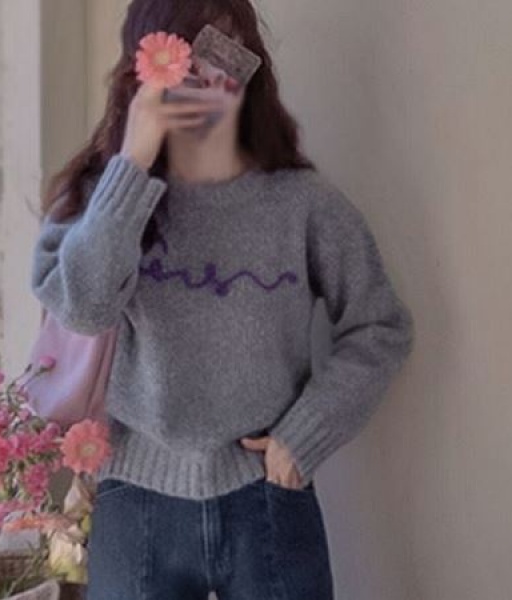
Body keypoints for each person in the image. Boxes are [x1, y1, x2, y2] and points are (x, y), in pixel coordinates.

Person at [29, 1, 415, 598]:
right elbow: (84, 309)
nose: (209, 74)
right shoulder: (96, 198)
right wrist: (132, 163)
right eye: (184, 54)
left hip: (268, 496)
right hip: (136, 502)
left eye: (227, 48)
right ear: (146, 67)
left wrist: (306, 432)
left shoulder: (304, 204)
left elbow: (380, 327)